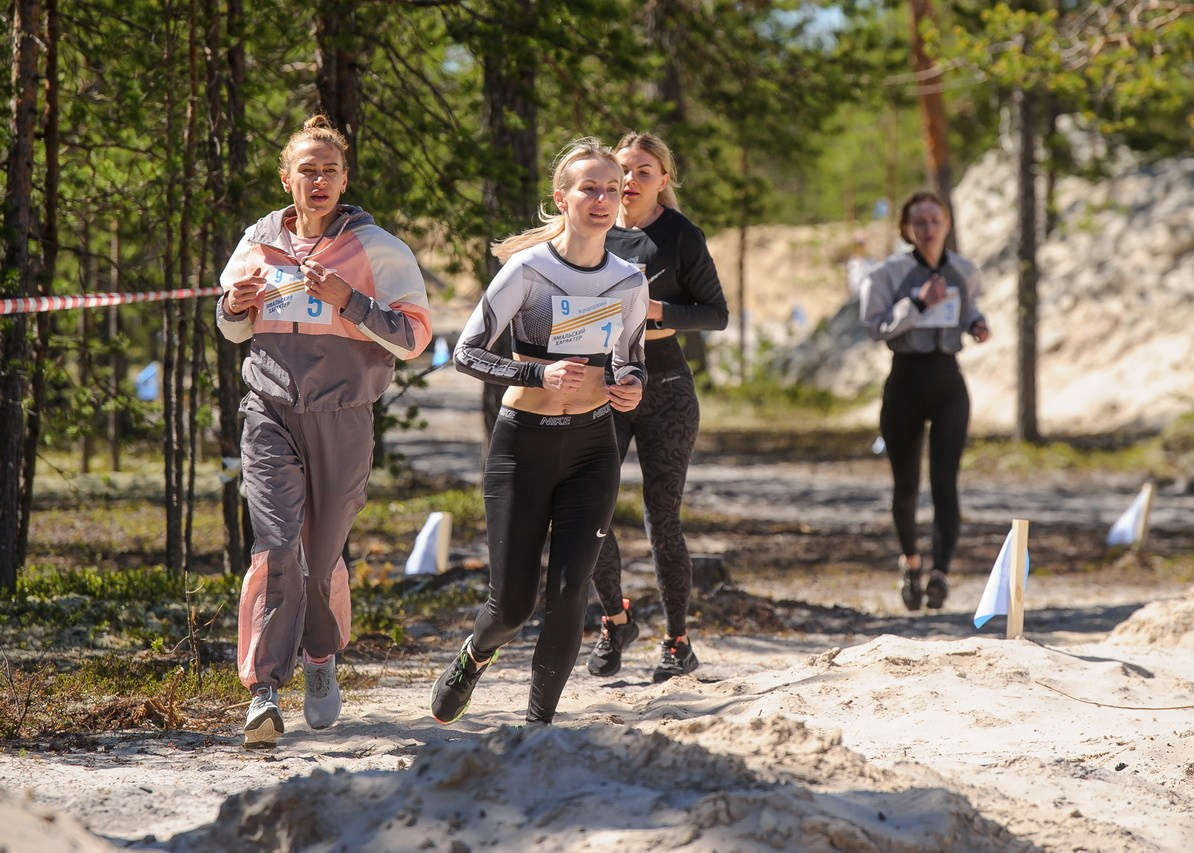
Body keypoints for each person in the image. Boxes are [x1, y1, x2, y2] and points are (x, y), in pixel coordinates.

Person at [216, 115, 432, 747]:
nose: (318, 180)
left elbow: (415, 336)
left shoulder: (379, 249)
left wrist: (349, 300)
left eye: (329, 170)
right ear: (286, 178)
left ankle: (320, 655)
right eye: (306, 169)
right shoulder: (258, 241)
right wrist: (234, 305)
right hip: (269, 409)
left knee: (321, 552)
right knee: (278, 546)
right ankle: (263, 690)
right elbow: (230, 327)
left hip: (343, 415)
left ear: (344, 179)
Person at [430, 138, 648, 726]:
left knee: (571, 595)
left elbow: (632, 362)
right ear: (563, 197)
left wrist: (630, 387)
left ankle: (537, 729)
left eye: (612, 189)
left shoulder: (630, 280)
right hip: (522, 445)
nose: (602, 199)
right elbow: (467, 354)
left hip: (591, 450)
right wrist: (536, 370)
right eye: (589, 188)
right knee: (512, 606)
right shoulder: (527, 271)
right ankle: (475, 655)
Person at [585, 132, 728, 682]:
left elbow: (716, 313)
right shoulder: (594, 231)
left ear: (663, 179)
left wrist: (663, 311)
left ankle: (676, 641)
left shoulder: (681, 236)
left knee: (660, 518)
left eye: (644, 171)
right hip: (607, 388)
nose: (630, 181)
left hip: (667, 388)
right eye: (624, 169)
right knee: (590, 510)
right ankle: (616, 619)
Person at [859, 191, 990, 611]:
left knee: (946, 483)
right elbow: (876, 327)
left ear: (948, 224)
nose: (929, 229)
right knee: (906, 486)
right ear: (907, 229)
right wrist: (916, 303)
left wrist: (977, 324)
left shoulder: (964, 269)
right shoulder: (888, 273)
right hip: (905, 381)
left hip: (949, 379)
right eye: (920, 222)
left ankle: (941, 574)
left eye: (936, 220)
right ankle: (911, 563)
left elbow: (969, 309)